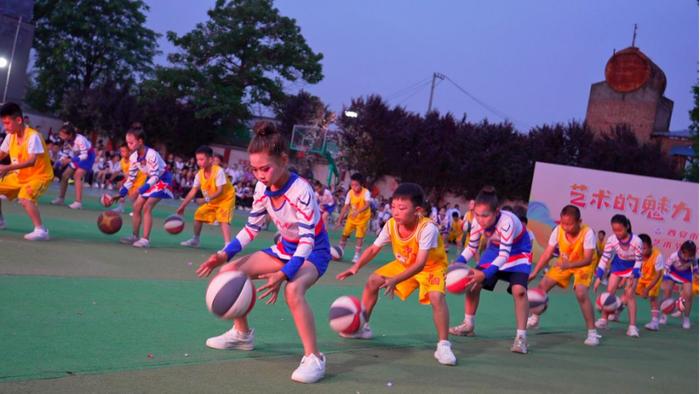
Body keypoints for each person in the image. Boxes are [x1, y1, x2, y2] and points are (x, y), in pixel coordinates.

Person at [194, 121, 330, 384]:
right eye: (254, 170)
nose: (260, 175)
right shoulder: (261, 188)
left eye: (265, 168)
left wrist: (284, 273)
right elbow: (251, 227)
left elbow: (307, 241)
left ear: (283, 159)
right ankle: (242, 335)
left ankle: (314, 357)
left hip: (313, 251)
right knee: (230, 271)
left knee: (293, 290)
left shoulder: (302, 191)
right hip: (285, 248)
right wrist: (224, 254)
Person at [336, 183, 456, 366]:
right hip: (405, 263)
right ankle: (362, 326)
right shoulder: (391, 225)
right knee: (373, 281)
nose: (396, 212)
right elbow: (374, 248)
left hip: (431, 267)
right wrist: (356, 266)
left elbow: (421, 264)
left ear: (417, 210)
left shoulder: (427, 228)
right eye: (393, 207)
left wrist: (395, 280)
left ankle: (443, 345)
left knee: (436, 297)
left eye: (401, 208)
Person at [449, 186, 532, 354]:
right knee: (472, 281)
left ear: (496, 212)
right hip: (494, 251)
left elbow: (505, 254)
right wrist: (457, 263)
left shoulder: (507, 222)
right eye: (477, 215)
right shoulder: (476, 221)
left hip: (518, 253)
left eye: (485, 215)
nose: (480, 219)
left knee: (519, 291)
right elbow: (471, 248)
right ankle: (468, 324)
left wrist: (485, 274)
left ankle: (521, 337)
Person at [527, 205, 600, 346]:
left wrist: (570, 265)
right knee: (542, 285)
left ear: (579, 221)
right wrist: (535, 272)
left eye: (569, 224)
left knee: (581, 293)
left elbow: (588, 259)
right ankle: (535, 317)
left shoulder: (588, 232)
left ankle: (592, 333)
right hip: (565, 262)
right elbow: (548, 253)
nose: (565, 227)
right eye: (563, 223)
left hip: (584, 265)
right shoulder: (558, 230)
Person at [104, 125, 174, 248]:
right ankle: (134, 236)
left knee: (147, 206)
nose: (128, 145)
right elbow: (131, 178)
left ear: (140, 141)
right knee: (136, 206)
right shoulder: (133, 157)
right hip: (151, 180)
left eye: (131, 143)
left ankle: (145, 239)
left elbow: (155, 177)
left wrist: (140, 190)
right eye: (127, 143)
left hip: (163, 179)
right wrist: (120, 194)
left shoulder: (151, 154)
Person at [0, 102, 54, 240]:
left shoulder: (33, 136)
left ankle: (41, 230)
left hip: (40, 176)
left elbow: (31, 161)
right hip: (19, 176)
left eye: (7, 123)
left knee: (25, 197)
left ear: (18, 120)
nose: (5, 127)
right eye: (3, 124)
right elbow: (2, 153)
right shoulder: (10, 136)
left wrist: (7, 168)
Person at [593, 214, 643, 337]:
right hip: (618, 265)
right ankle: (604, 319)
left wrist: (634, 274)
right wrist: (599, 277)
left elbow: (639, 260)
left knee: (630, 295)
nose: (617, 233)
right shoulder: (611, 240)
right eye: (615, 230)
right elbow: (605, 258)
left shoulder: (637, 241)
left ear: (627, 227)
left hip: (632, 268)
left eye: (620, 230)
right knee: (609, 292)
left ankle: (632, 327)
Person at [177, 146, 236, 247]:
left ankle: (228, 246)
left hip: (226, 199)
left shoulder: (218, 171)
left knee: (223, 220)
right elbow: (193, 191)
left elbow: (220, 191)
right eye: (197, 160)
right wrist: (182, 206)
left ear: (210, 159)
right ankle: (195, 240)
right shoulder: (199, 175)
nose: (199, 162)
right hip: (213, 200)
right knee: (198, 215)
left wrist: (205, 200)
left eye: (201, 159)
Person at [51, 123, 95, 209]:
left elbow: (84, 155)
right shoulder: (66, 142)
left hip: (88, 157)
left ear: (70, 134)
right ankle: (61, 198)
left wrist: (69, 160)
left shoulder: (80, 139)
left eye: (63, 134)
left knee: (77, 176)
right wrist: (59, 162)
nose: (61, 136)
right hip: (77, 156)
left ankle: (78, 202)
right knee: (64, 176)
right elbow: (65, 154)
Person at [659, 241, 697, 329]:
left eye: (690, 255)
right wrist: (665, 278)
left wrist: (696, 274)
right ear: (682, 250)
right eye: (685, 254)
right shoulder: (674, 256)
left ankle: (686, 319)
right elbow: (666, 267)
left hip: (686, 274)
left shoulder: (693, 258)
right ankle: (664, 316)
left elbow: (695, 267)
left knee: (688, 295)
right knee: (667, 291)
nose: (687, 257)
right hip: (673, 273)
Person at [335, 173, 372, 263]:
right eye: (352, 185)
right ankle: (340, 251)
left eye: (356, 185)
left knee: (359, 237)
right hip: (352, 218)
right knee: (344, 234)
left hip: (363, 218)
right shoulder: (350, 193)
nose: (353, 187)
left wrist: (358, 211)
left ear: (361, 184)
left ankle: (356, 255)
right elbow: (345, 207)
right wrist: (339, 220)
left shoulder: (366, 192)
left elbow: (367, 204)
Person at [634, 234, 665, 331]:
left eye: (645, 248)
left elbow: (658, 274)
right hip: (642, 276)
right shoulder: (636, 252)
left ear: (651, 246)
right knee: (629, 292)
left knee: (653, 298)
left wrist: (647, 289)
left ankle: (655, 322)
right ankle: (616, 312)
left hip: (654, 278)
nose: (642, 251)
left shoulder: (657, 255)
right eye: (640, 248)